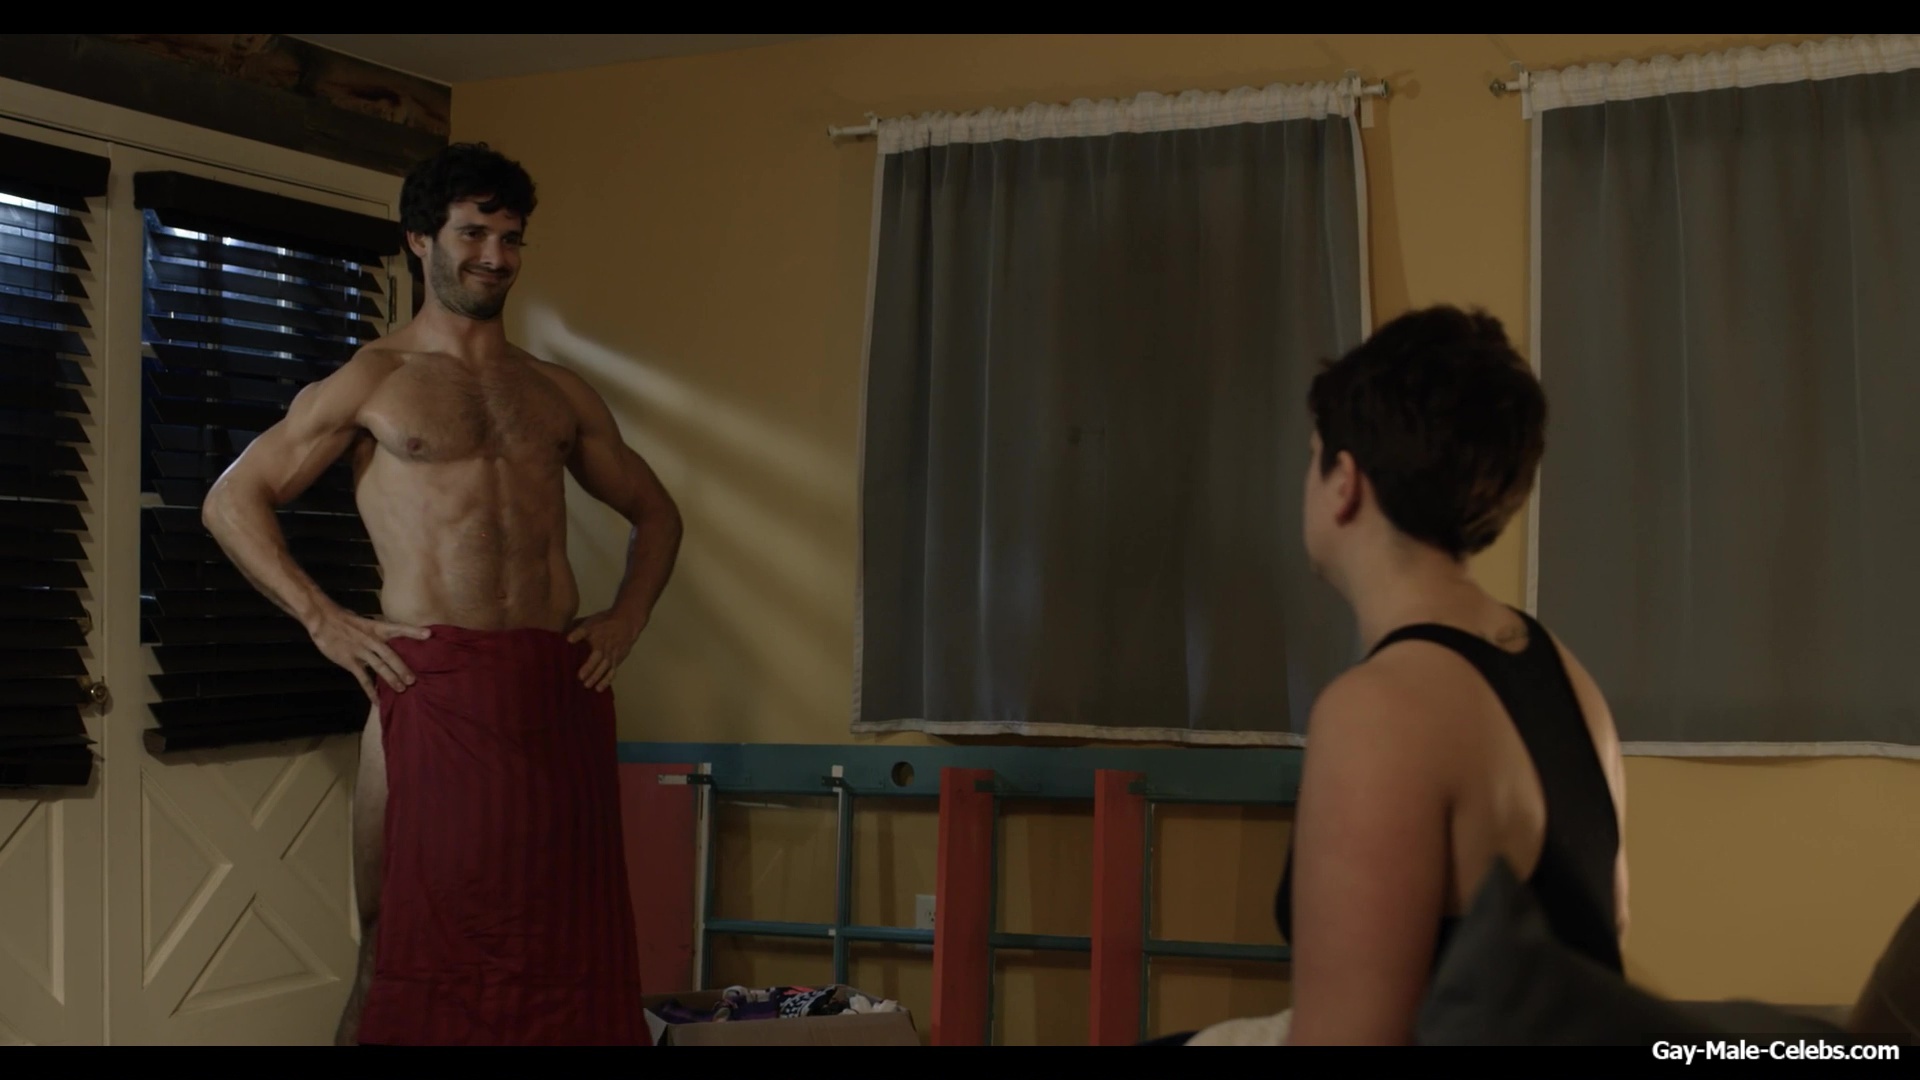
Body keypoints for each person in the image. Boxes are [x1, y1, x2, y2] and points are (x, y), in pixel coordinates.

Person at [200, 142, 683, 1046]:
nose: (495, 257)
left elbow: (656, 513)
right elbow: (232, 500)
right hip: (433, 683)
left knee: (565, 941)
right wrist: (322, 619)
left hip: (552, 687)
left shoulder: (555, 391)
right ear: (420, 240)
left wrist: (627, 616)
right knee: (402, 938)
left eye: (511, 237)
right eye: (473, 233)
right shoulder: (373, 380)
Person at [1150, 305, 1629, 1046]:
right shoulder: (1566, 674)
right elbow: (1608, 933)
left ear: (1345, 482)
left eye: (1313, 455)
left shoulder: (1381, 712)